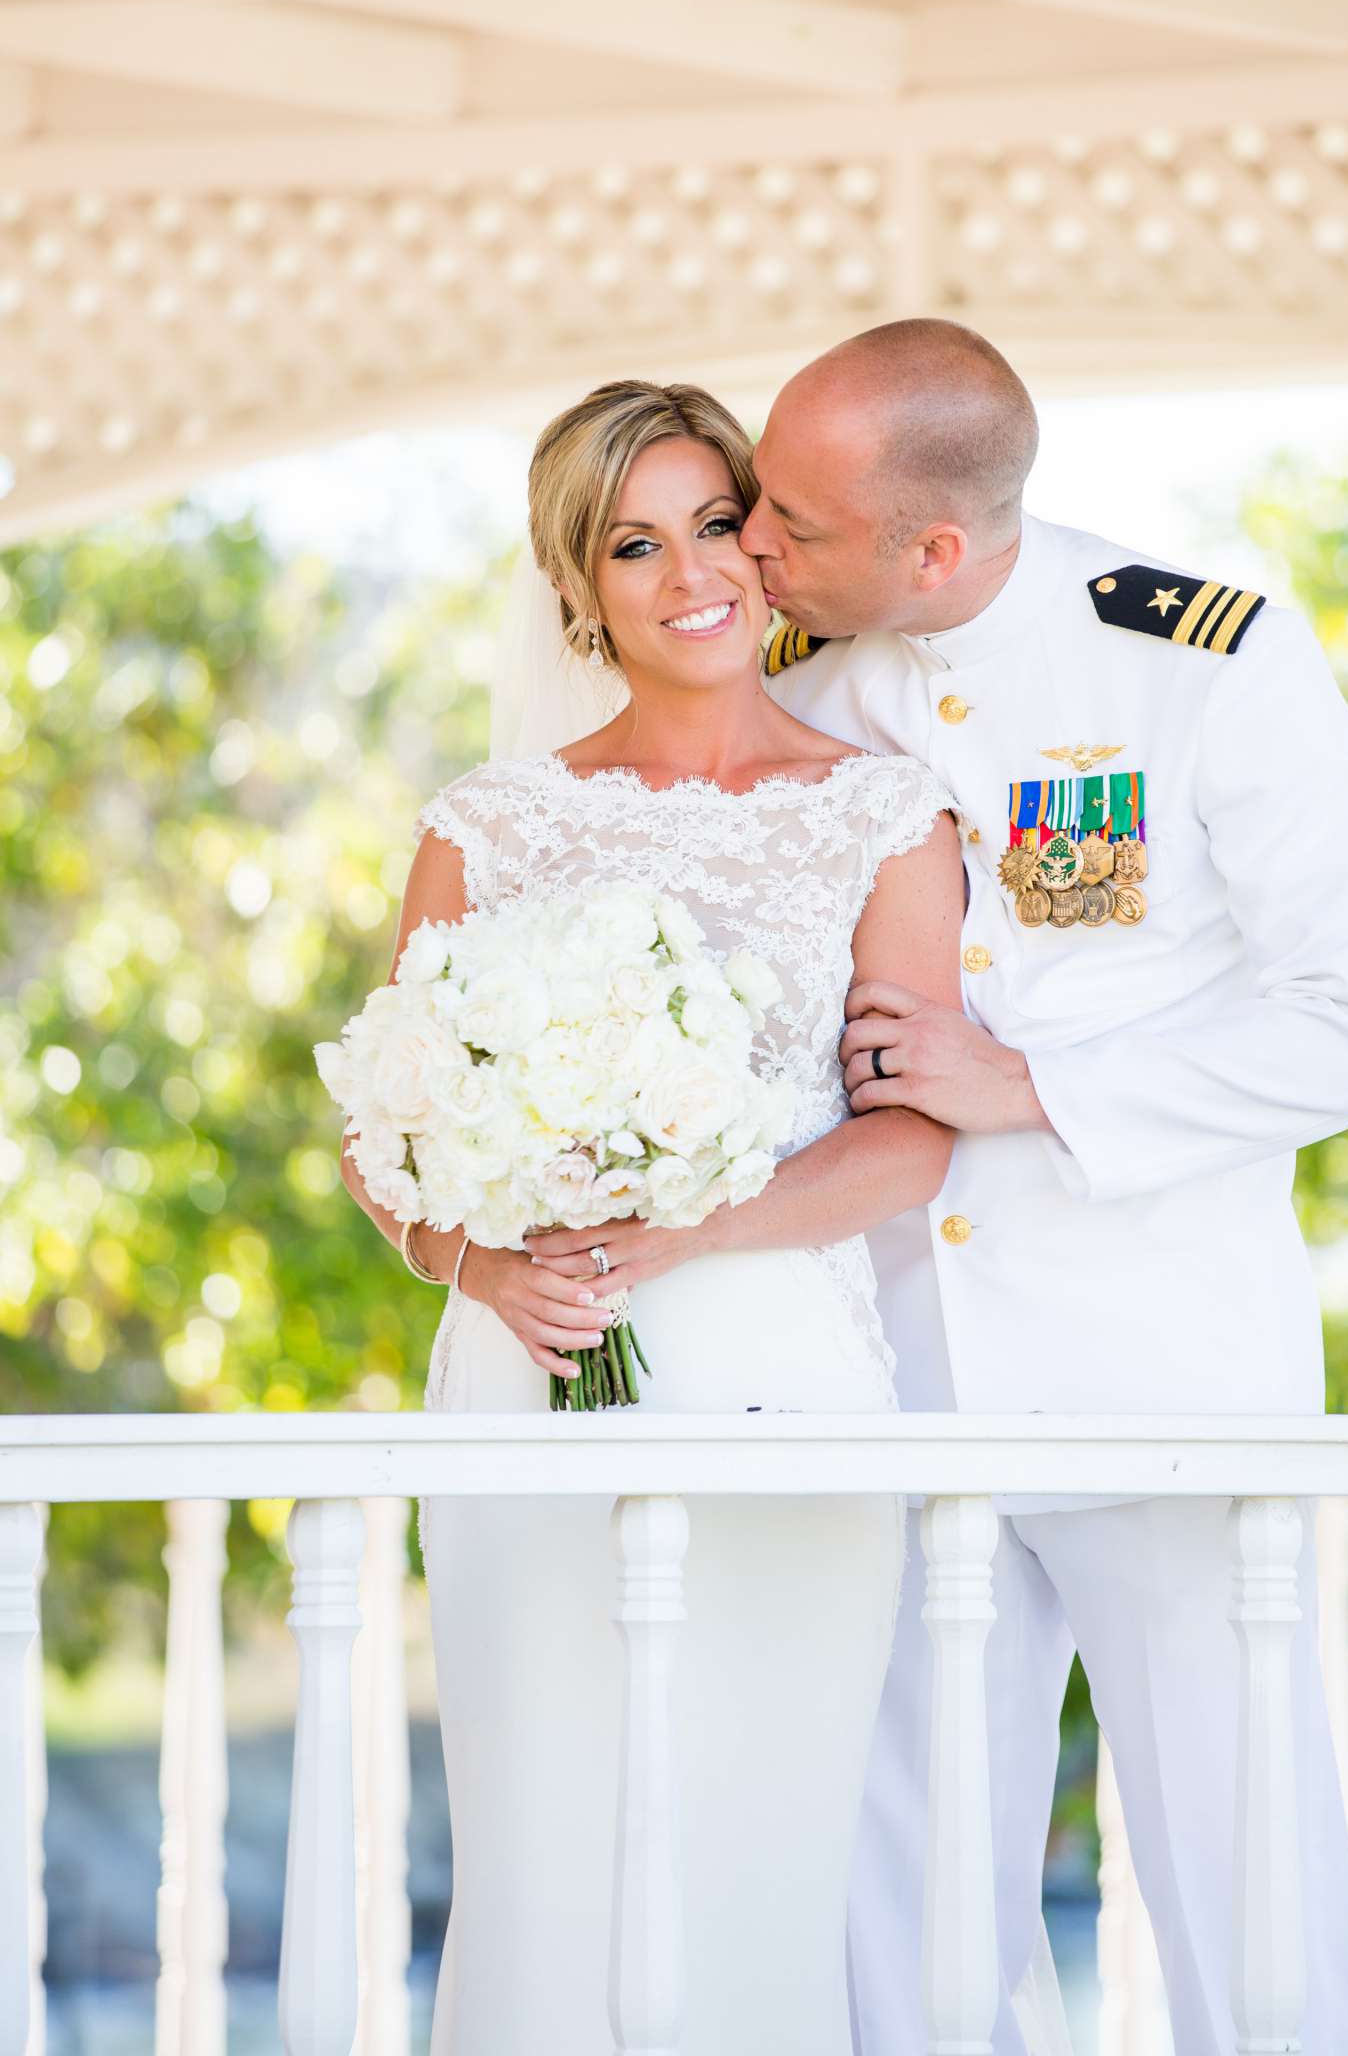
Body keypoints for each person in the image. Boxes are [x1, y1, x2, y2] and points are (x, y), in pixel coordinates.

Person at [751, 317, 1348, 2056]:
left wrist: (1034, 1086)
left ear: (937, 547)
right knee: (901, 1901)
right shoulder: (803, 708)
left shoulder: (1204, 661)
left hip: (1172, 1389)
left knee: (1245, 1883)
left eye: (793, 524)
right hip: (903, 1393)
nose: (754, 546)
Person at [337, 380, 966, 2056]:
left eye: (715, 523)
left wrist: (686, 1234)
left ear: (764, 545)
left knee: (761, 1852)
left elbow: (912, 1143)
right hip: (528, 1382)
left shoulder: (886, 812)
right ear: (579, 584)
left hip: (785, 1380)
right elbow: (385, 1138)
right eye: (635, 541)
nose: (691, 572)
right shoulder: (492, 825)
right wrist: (482, 1262)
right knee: (545, 1855)